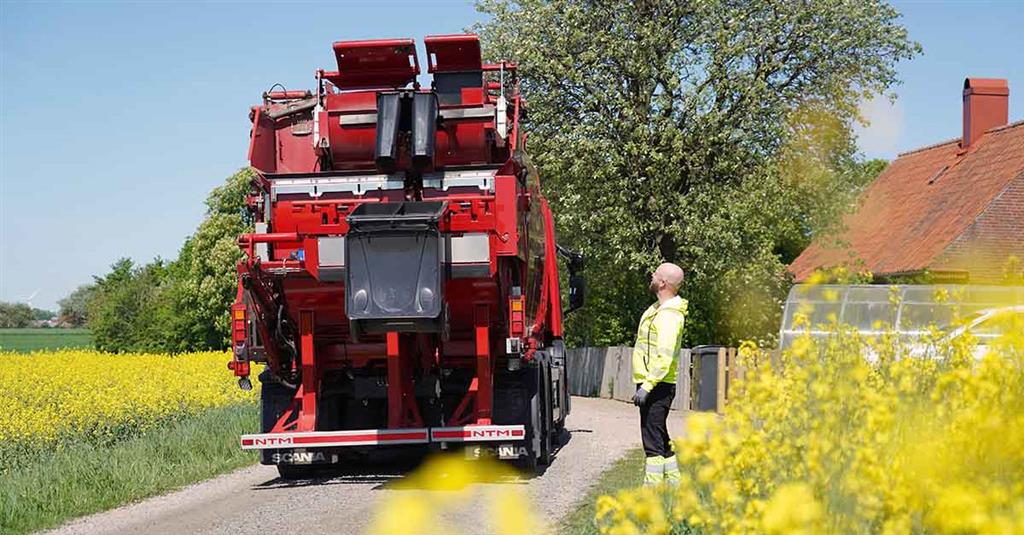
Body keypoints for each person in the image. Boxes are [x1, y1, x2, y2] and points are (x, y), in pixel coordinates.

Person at [631, 262, 687, 486]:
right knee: (660, 435)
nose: (651, 275)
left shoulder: (669, 316)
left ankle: (651, 491)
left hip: (657, 385)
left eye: (656, 273)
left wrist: (647, 387)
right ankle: (674, 484)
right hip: (653, 382)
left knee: (652, 440)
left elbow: (663, 356)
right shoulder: (657, 309)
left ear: (663, 282)